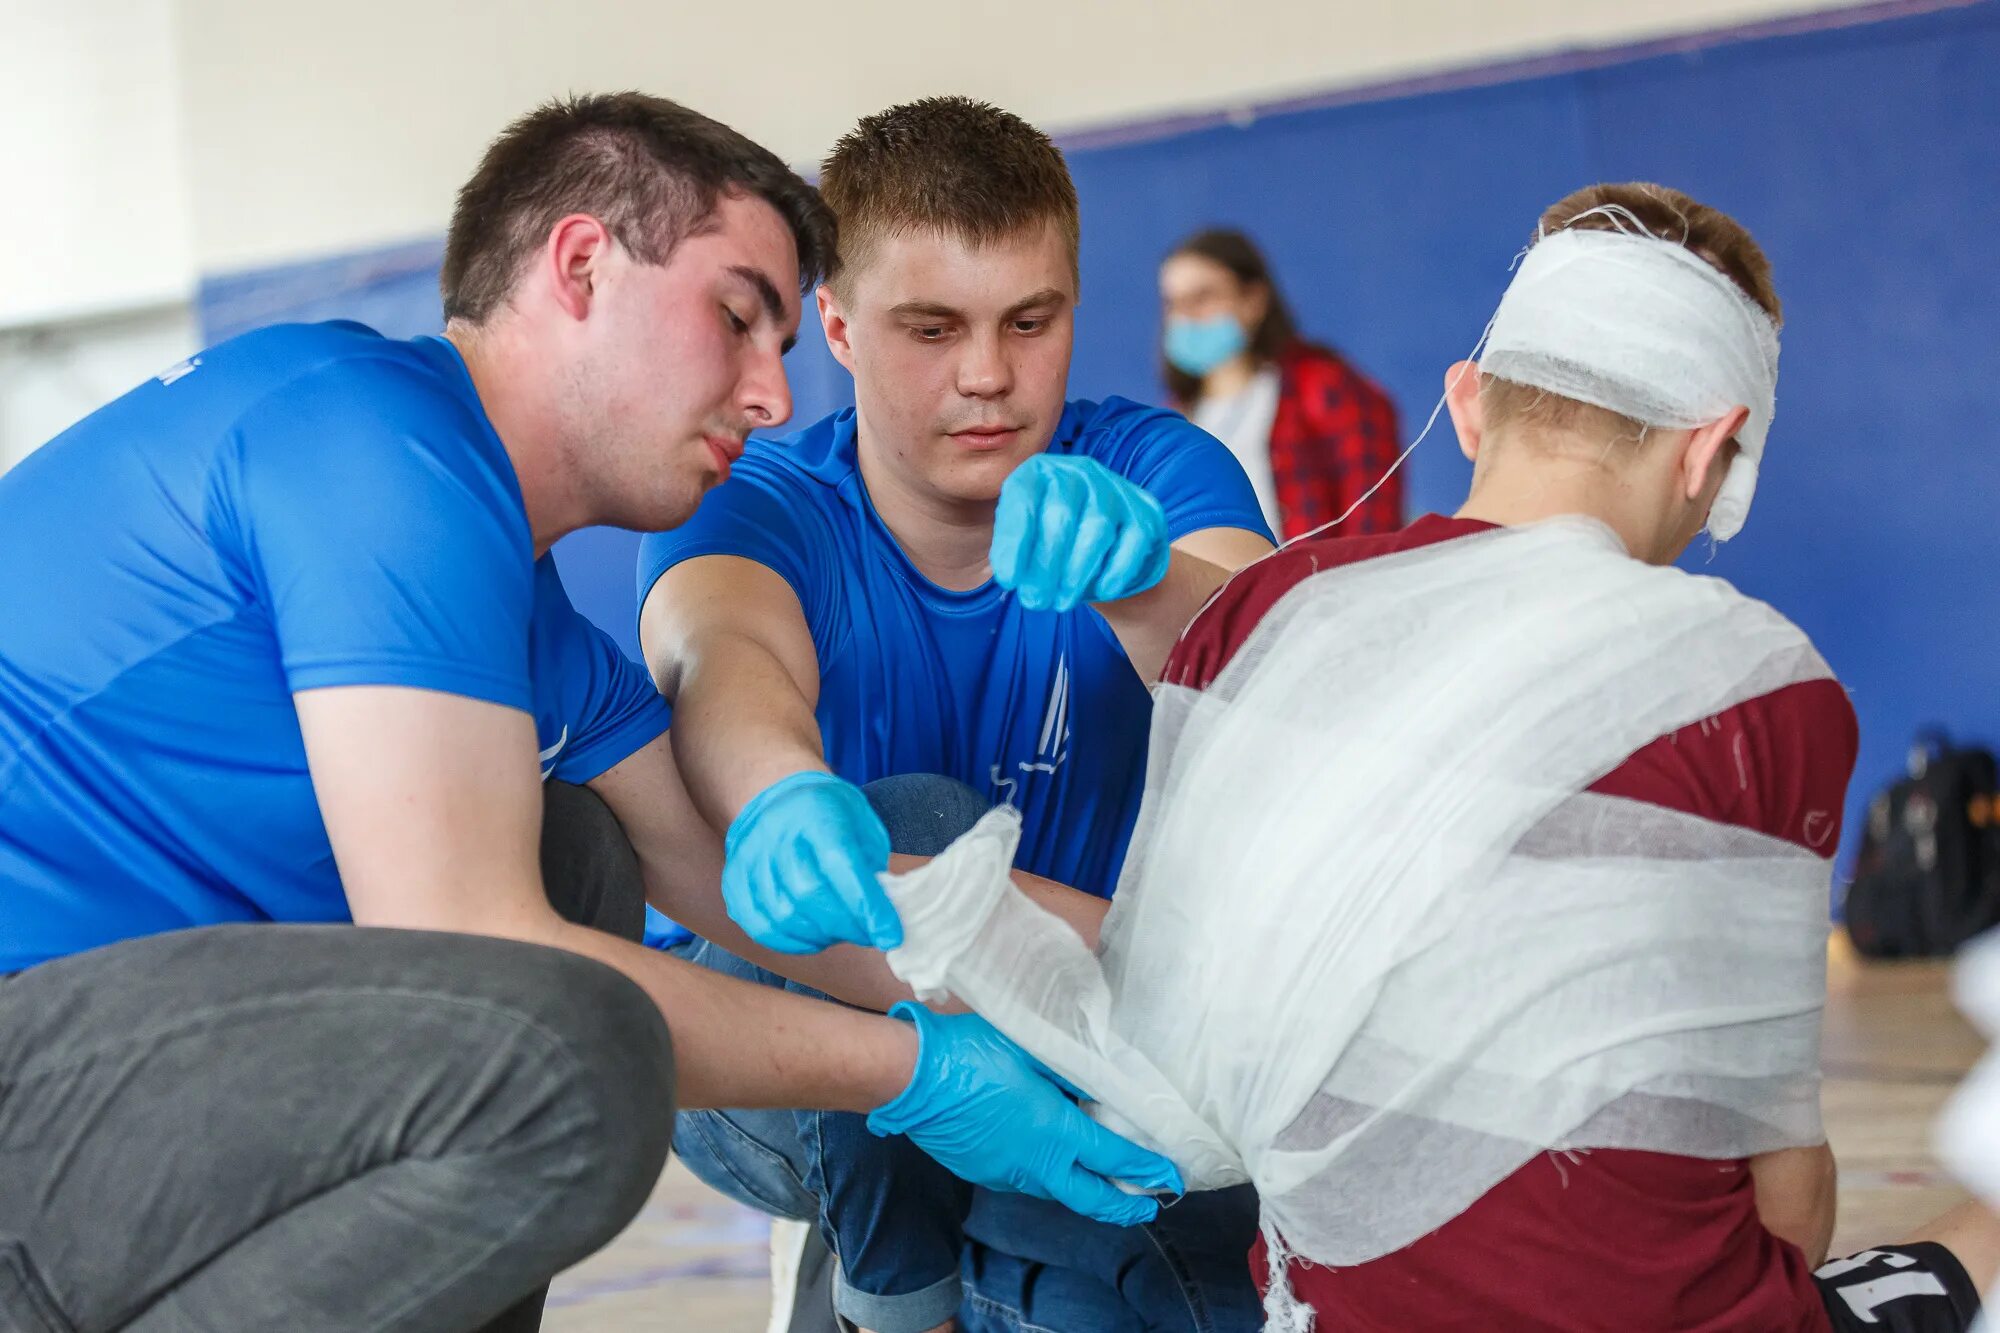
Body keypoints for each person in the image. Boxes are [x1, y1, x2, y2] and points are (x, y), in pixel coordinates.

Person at [0, 92, 1181, 1333]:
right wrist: (914, 1071)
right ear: (579, 265)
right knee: (565, 1056)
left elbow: (733, 873)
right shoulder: (364, 435)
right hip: (39, 1070)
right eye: (736, 320)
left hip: (128, 1078)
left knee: (580, 857)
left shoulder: (521, 613)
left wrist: (1174, 972)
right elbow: (470, 946)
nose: (772, 397)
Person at [1145, 183, 1996, 1332]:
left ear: (1463, 404)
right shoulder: (1751, 680)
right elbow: (1786, 1206)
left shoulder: (1248, 620)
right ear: (1706, 455)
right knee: (1979, 1238)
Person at [637, 98, 1275, 1333]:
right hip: (786, 1034)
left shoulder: (1151, 470)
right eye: (930, 329)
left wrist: (1151, 590)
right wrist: (776, 792)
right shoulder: (759, 498)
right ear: (835, 326)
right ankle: (895, 1296)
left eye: (1028, 323)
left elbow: (1276, 688)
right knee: (906, 827)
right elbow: (719, 650)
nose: (987, 375)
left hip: (1076, 1031)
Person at [1159, 228, 1401, 540]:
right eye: (1172, 302)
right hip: (1219, 588)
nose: (1186, 316)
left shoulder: (1321, 387)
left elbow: (1373, 520)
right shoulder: (1173, 421)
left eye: (1203, 297)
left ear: (1254, 300)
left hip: (1319, 585)